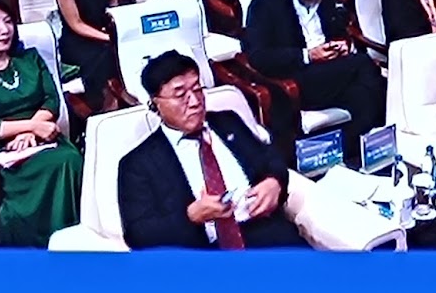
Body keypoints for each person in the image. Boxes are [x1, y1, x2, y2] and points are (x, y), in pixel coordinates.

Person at [117, 50, 304, 250]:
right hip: (202, 253)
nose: (195, 102)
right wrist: (190, 217)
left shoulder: (227, 122)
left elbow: (272, 157)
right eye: (180, 95)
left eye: (197, 89)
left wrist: (274, 181)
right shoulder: (137, 163)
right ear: (156, 104)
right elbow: (138, 234)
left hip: (265, 234)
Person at [0, 0, 82, 247]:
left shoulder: (30, 59)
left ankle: (70, 242)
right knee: (58, 163)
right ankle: (34, 247)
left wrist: (34, 129)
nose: (4, 29)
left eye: (8, 22)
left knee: (69, 159)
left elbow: (52, 100)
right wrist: (31, 127)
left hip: (45, 138)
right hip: (0, 151)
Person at [242, 0, 386, 150]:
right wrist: (307, 55)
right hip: (296, 77)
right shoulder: (265, 4)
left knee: (363, 95)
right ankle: (380, 140)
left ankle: (348, 152)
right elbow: (259, 56)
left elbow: (339, 31)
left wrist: (342, 45)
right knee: (365, 66)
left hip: (334, 73)